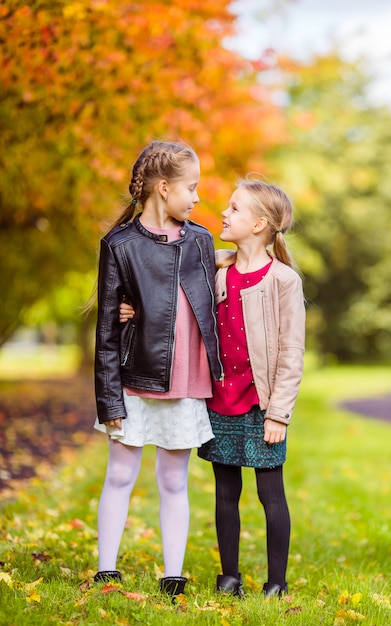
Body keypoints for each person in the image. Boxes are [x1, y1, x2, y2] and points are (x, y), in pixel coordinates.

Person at [120, 178, 305, 598]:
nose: (223, 212)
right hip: (220, 397)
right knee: (226, 490)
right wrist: (128, 306)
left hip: (261, 404)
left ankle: (277, 582)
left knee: (269, 490)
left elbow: (292, 352)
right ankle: (229, 577)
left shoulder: (283, 281)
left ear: (259, 224)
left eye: (235, 208)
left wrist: (279, 412)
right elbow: (167, 289)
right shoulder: (215, 270)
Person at [93, 140, 223, 599]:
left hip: (186, 382)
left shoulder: (202, 241)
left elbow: (218, 286)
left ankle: (173, 573)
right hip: (135, 381)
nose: (198, 197)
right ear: (164, 188)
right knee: (121, 475)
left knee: (173, 479)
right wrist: (108, 399)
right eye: (192, 187)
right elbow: (107, 330)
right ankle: (105, 569)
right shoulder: (119, 245)